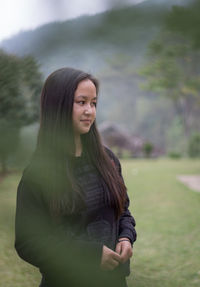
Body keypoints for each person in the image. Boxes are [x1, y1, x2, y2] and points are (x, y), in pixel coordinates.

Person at [15, 67, 137, 287]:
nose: (90, 111)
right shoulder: (38, 174)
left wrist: (125, 237)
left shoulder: (107, 160)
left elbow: (123, 211)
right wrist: (89, 255)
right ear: (58, 106)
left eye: (93, 103)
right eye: (81, 102)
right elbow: (29, 242)